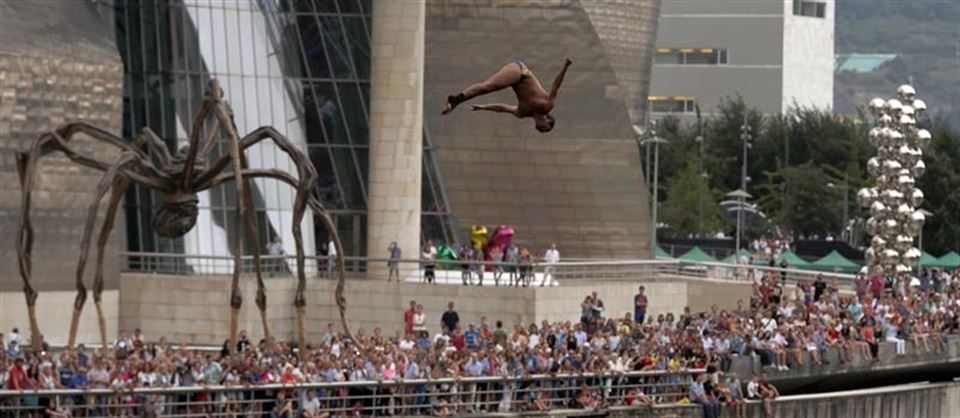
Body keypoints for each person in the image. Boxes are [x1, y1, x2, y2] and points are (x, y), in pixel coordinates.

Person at [441, 58, 573, 133]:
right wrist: (565, 66)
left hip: (513, 81)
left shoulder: (522, 113)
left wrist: (484, 107)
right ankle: (455, 100)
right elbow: (556, 85)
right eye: (544, 125)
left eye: (539, 127)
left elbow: (502, 108)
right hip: (521, 73)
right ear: (548, 118)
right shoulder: (547, 106)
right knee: (489, 87)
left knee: (487, 88)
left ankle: (455, 100)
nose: (539, 124)